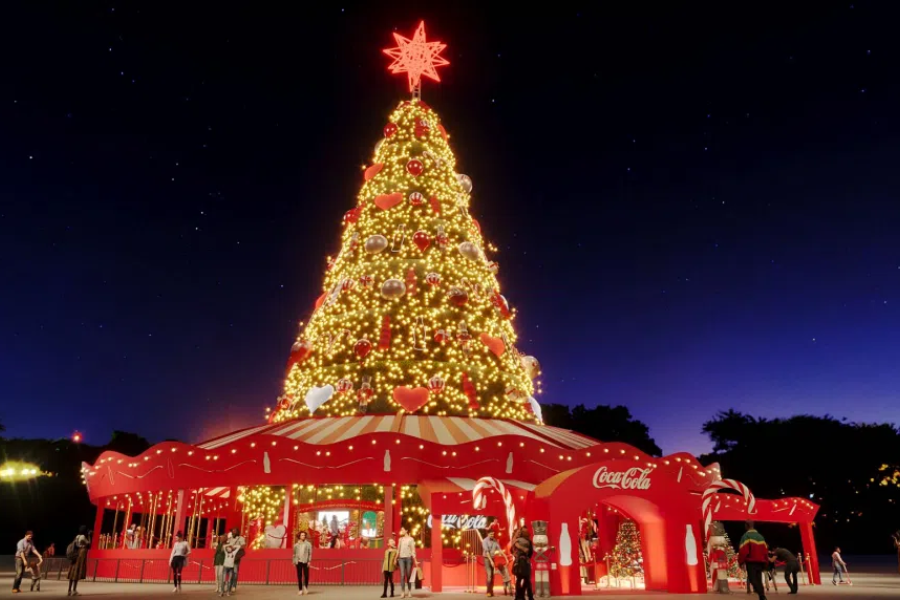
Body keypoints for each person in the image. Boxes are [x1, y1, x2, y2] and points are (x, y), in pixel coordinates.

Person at [738, 521, 768, 600]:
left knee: (752, 579)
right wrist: (766, 563)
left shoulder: (746, 536)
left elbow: (743, 551)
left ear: (746, 525)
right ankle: (762, 596)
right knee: (758, 580)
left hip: (751, 562)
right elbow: (765, 551)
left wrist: (741, 562)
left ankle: (761, 594)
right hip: (761, 562)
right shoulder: (761, 537)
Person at [482, 529, 511, 597]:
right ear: (488, 534)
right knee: (489, 575)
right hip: (487, 559)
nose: (492, 535)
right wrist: (491, 561)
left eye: (493, 534)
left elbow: (500, 550)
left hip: (492, 558)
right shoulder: (485, 541)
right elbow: (487, 552)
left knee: (492, 575)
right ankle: (488, 592)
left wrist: (506, 558)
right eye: (491, 534)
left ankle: (491, 591)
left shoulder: (495, 541)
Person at [67, 526, 91, 597]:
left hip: (75, 555)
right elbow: (88, 544)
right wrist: (89, 535)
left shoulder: (77, 536)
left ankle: (69, 590)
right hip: (80, 556)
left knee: (72, 574)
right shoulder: (83, 537)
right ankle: (74, 590)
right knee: (76, 574)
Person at [512, 527, 535, 600]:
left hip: (519, 561)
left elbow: (512, 550)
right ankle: (528, 596)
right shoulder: (528, 541)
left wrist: (516, 554)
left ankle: (518, 596)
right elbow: (531, 552)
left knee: (520, 579)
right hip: (524, 561)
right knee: (526, 579)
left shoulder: (516, 541)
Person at [397, 528, 417, 599]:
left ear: (406, 530)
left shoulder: (411, 539)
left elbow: (413, 550)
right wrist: (395, 558)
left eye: (402, 530)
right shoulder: (400, 539)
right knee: (402, 575)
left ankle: (409, 591)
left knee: (408, 576)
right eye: (401, 530)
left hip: (409, 559)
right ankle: (402, 592)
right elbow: (398, 549)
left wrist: (415, 560)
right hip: (401, 559)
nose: (401, 531)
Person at [292, 530, 313, 596]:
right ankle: (300, 590)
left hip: (305, 562)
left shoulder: (308, 544)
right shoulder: (296, 545)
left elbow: (310, 554)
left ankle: (305, 588)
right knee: (299, 576)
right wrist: (294, 561)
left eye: (304, 535)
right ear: (299, 536)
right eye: (302, 535)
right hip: (298, 562)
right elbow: (294, 554)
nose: (303, 536)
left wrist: (309, 561)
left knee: (306, 576)